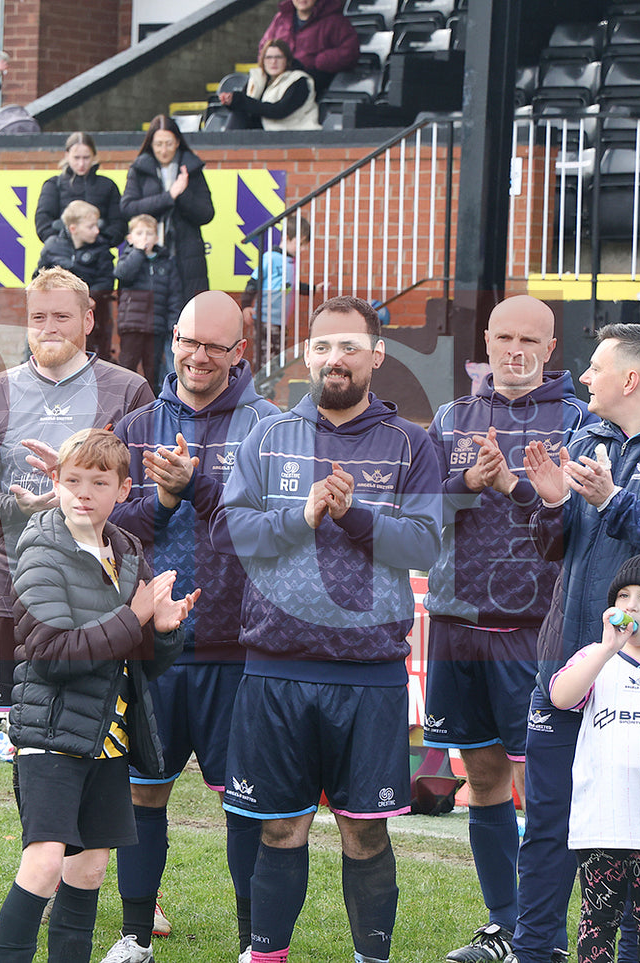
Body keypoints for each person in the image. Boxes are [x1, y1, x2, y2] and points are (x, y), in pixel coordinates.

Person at [214, 295, 442, 963]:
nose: (333, 358)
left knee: (363, 832)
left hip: (367, 672)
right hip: (276, 667)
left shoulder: (410, 444)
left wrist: (353, 517)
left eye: (348, 346)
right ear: (305, 355)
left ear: (376, 355)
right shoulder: (266, 436)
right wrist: (307, 515)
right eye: (321, 346)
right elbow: (241, 536)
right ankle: (265, 954)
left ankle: (372, 956)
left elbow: (426, 546)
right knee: (279, 826)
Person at [105, 292, 278, 963]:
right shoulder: (137, 424)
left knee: (246, 800)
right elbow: (111, 532)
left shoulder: (270, 427)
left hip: (239, 646)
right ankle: (133, 935)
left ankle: (251, 942)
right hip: (154, 646)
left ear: (240, 351)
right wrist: (165, 496)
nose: (198, 355)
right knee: (142, 788)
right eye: (189, 341)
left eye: (215, 345)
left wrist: (201, 485)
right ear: (172, 339)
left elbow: (276, 537)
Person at [422, 295, 595, 963]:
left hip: (541, 628)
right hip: (459, 622)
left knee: (549, 782)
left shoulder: (578, 419)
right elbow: (419, 511)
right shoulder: (449, 417)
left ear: (551, 348)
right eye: (503, 336)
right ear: (484, 341)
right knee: (483, 771)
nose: (514, 349)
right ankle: (502, 923)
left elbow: (582, 519)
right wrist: (468, 478)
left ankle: (546, 930)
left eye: (529, 338)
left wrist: (520, 489)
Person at [0, 427, 195, 963]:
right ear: (54, 482)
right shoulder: (38, 546)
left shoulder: (127, 550)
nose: (84, 492)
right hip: (51, 734)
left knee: (90, 868)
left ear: (123, 490)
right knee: (44, 863)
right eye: (73, 479)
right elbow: (51, 653)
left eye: (99, 482)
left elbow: (143, 661)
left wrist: (165, 630)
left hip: (109, 737)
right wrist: (135, 617)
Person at [512, 323, 640, 963]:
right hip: (567, 668)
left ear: (631, 379)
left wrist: (613, 501)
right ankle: (537, 952)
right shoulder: (586, 435)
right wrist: (550, 507)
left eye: (596, 368)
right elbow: (552, 550)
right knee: (548, 827)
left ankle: (638, 954)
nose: (584, 378)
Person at [0, 267, 155, 713]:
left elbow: (144, 495)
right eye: (38, 317)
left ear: (89, 321)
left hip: (101, 588)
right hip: (15, 584)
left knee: (95, 717)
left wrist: (82, 503)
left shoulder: (129, 391)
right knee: (21, 722)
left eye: (61, 317)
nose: (48, 329)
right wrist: (18, 509)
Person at [549, 548, 640, 963]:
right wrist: (606, 650)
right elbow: (560, 696)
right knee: (597, 920)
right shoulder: (596, 658)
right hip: (601, 824)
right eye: (623, 595)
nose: (631, 606)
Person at [120, 117, 215, 302]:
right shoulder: (139, 169)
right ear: (150, 144)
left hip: (186, 255)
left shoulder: (193, 169)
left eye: (169, 144)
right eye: (158, 144)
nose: (164, 150)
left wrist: (182, 194)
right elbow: (128, 208)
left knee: (186, 315)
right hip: (148, 254)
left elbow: (206, 213)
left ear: (178, 142)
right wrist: (168, 196)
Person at [36, 201, 116, 360]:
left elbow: (106, 280)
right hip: (55, 311)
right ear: (73, 229)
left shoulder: (101, 249)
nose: (97, 230)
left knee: (91, 353)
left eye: (96, 225)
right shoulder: (53, 246)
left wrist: (90, 297)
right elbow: (39, 277)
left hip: (90, 313)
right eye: (91, 227)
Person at [114, 214, 184, 394]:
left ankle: (152, 404)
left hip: (156, 326)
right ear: (130, 238)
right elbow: (123, 274)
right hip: (132, 325)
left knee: (152, 370)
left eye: (149, 234)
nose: (144, 238)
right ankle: (124, 401)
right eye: (139, 233)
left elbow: (174, 296)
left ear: (157, 238)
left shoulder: (166, 263)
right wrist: (138, 252)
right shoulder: (128, 258)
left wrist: (172, 324)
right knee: (127, 365)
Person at [241, 216, 312, 361]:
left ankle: (271, 383)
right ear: (286, 237)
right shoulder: (270, 258)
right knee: (265, 357)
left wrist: (314, 288)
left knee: (278, 359)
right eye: (301, 243)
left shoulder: (290, 262)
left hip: (281, 321)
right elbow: (254, 281)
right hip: (265, 319)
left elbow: (292, 284)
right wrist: (246, 306)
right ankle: (261, 383)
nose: (303, 249)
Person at [257, 0, 360, 95]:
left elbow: (350, 51)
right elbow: (264, 47)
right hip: (279, 79)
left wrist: (320, 61)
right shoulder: (281, 18)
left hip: (310, 84)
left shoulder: (334, 21)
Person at [219, 40, 320, 131]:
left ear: (287, 60)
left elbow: (279, 111)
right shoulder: (257, 79)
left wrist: (239, 99)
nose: (273, 62)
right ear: (263, 60)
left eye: (278, 57)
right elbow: (245, 104)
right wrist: (231, 102)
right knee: (238, 113)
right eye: (269, 57)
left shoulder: (299, 80)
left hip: (291, 132)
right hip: (264, 131)